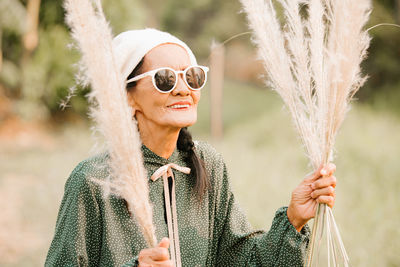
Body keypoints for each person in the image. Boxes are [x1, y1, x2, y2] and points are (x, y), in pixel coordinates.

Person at [45, 29, 337, 267]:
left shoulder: (208, 164)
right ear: (127, 98)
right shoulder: (93, 181)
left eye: (192, 76)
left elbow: (240, 260)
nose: (183, 89)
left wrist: (293, 219)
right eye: (165, 79)